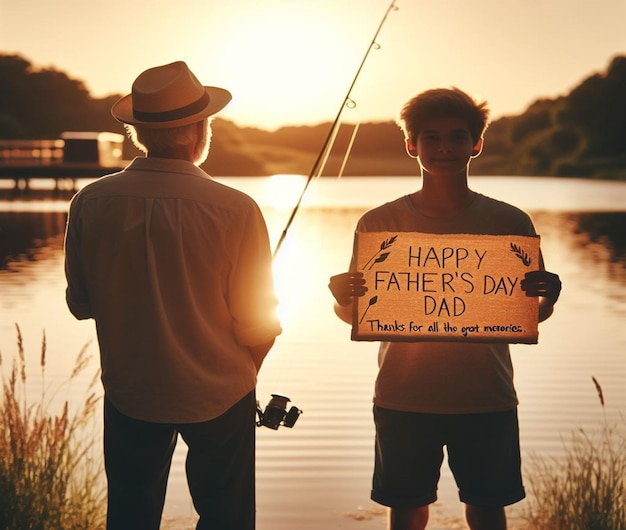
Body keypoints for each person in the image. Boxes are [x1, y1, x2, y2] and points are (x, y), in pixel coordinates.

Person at [328, 88, 561, 530]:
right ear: (411, 145)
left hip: (485, 395)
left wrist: (549, 296)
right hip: (403, 394)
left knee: (488, 507)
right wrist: (342, 297)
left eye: (457, 137)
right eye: (431, 138)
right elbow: (356, 317)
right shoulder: (378, 223)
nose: (444, 148)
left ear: (477, 143)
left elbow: (532, 314)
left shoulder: (510, 223)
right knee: (408, 508)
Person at [64, 61, 282, 530]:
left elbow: (81, 303)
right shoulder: (237, 209)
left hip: (131, 392)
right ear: (195, 132)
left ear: (140, 133)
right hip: (222, 393)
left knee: (130, 515)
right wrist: (247, 370)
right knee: (227, 517)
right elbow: (258, 322)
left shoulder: (90, 202)